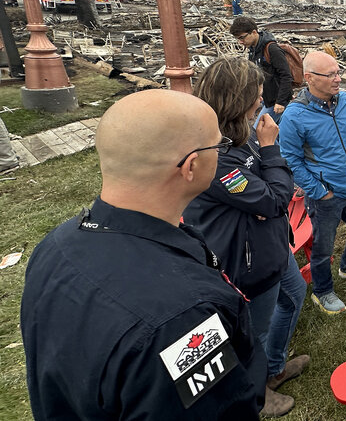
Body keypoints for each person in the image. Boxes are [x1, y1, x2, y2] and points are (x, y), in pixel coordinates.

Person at [21, 89, 266, 419]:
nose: (223, 153)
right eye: (219, 146)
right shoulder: (184, 319)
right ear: (190, 166)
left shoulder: (55, 245)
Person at [183, 58, 308, 417]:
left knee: (295, 295)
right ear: (237, 99)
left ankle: (274, 368)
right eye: (256, 94)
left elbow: (270, 194)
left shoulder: (242, 132)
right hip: (246, 261)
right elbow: (274, 198)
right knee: (256, 330)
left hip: (271, 246)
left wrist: (268, 186)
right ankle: (257, 392)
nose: (262, 100)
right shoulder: (215, 154)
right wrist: (271, 149)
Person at [279, 51, 346, 314]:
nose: (338, 78)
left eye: (338, 71)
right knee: (323, 247)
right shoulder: (294, 116)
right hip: (326, 195)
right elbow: (290, 160)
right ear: (309, 78)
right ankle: (322, 292)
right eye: (331, 74)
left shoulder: (345, 101)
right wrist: (319, 191)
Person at [230, 16, 293, 124]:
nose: (240, 42)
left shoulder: (272, 49)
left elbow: (286, 76)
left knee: (258, 130)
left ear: (254, 32)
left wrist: (281, 102)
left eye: (242, 37)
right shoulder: (253, 49)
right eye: (238, 39)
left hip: (275, 101)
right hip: (265, 98)